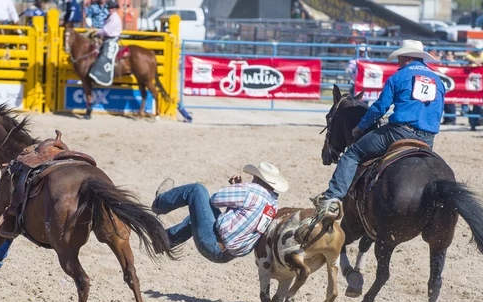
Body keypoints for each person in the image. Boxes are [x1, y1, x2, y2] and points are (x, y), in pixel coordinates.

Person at [314, 40, 445, 218]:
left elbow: (379, 109)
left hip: (399, 133)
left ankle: (332, 199)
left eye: (399, 58)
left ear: (407, 57)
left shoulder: (398, 77)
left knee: (352, 154)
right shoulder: (438, 80)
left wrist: (360, 127)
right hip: (428, 140)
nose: (397, 62)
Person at [151, 162, 288, 263]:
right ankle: (164, 240)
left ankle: (159, 202)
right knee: (197, 217)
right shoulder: (272, 205)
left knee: (197, 190)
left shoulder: (251, 190)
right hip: (227, 254)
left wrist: (237, 188)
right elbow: (240, 219)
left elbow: (216, 200)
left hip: (213, 244)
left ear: (257, 178)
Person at [88, 0, 122, 86]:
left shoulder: (114, 18)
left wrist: (96, 31)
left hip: (111, 39)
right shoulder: (111, 17)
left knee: (105, 54)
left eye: (111, 8)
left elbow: (106, 30)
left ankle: (100, 74)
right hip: (107, 38)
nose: (110, 9)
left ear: (115, 8)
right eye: (109, 8)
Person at [464, 40, 483, 131]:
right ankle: (473, 122)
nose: (479, 51)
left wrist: (479, 61)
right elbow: (467, 57)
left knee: (477, 104)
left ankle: (473, 123)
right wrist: (477, 61)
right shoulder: (472, 54)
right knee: (471, 104)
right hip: (473, 82)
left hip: (478, 83)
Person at [442, 50, 457, 125]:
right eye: (447, 54)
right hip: (446, 85)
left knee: (451, 103)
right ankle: (447, 119)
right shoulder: (443, 63)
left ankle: (451, 119)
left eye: (450, 55)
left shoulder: (456, 64)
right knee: (445, 104)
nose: (448, 56)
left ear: (453, 56)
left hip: (452, 86)